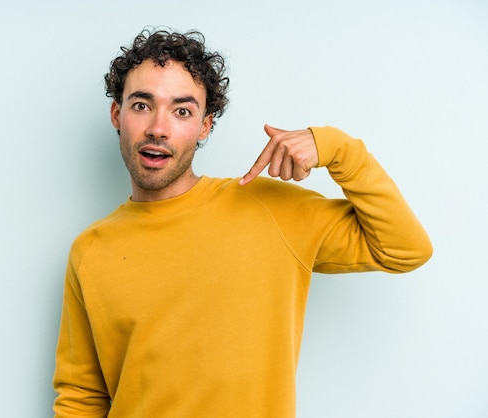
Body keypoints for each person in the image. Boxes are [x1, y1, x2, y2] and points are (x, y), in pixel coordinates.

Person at [52, 28, 432, 418]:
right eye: (141, 105)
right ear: (117, 114)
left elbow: (405, 249)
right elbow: (81, 397)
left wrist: (339, 150)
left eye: (182, 111)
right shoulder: (91, 250)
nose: (158, 128)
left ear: (205, 126)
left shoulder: (271, 210)